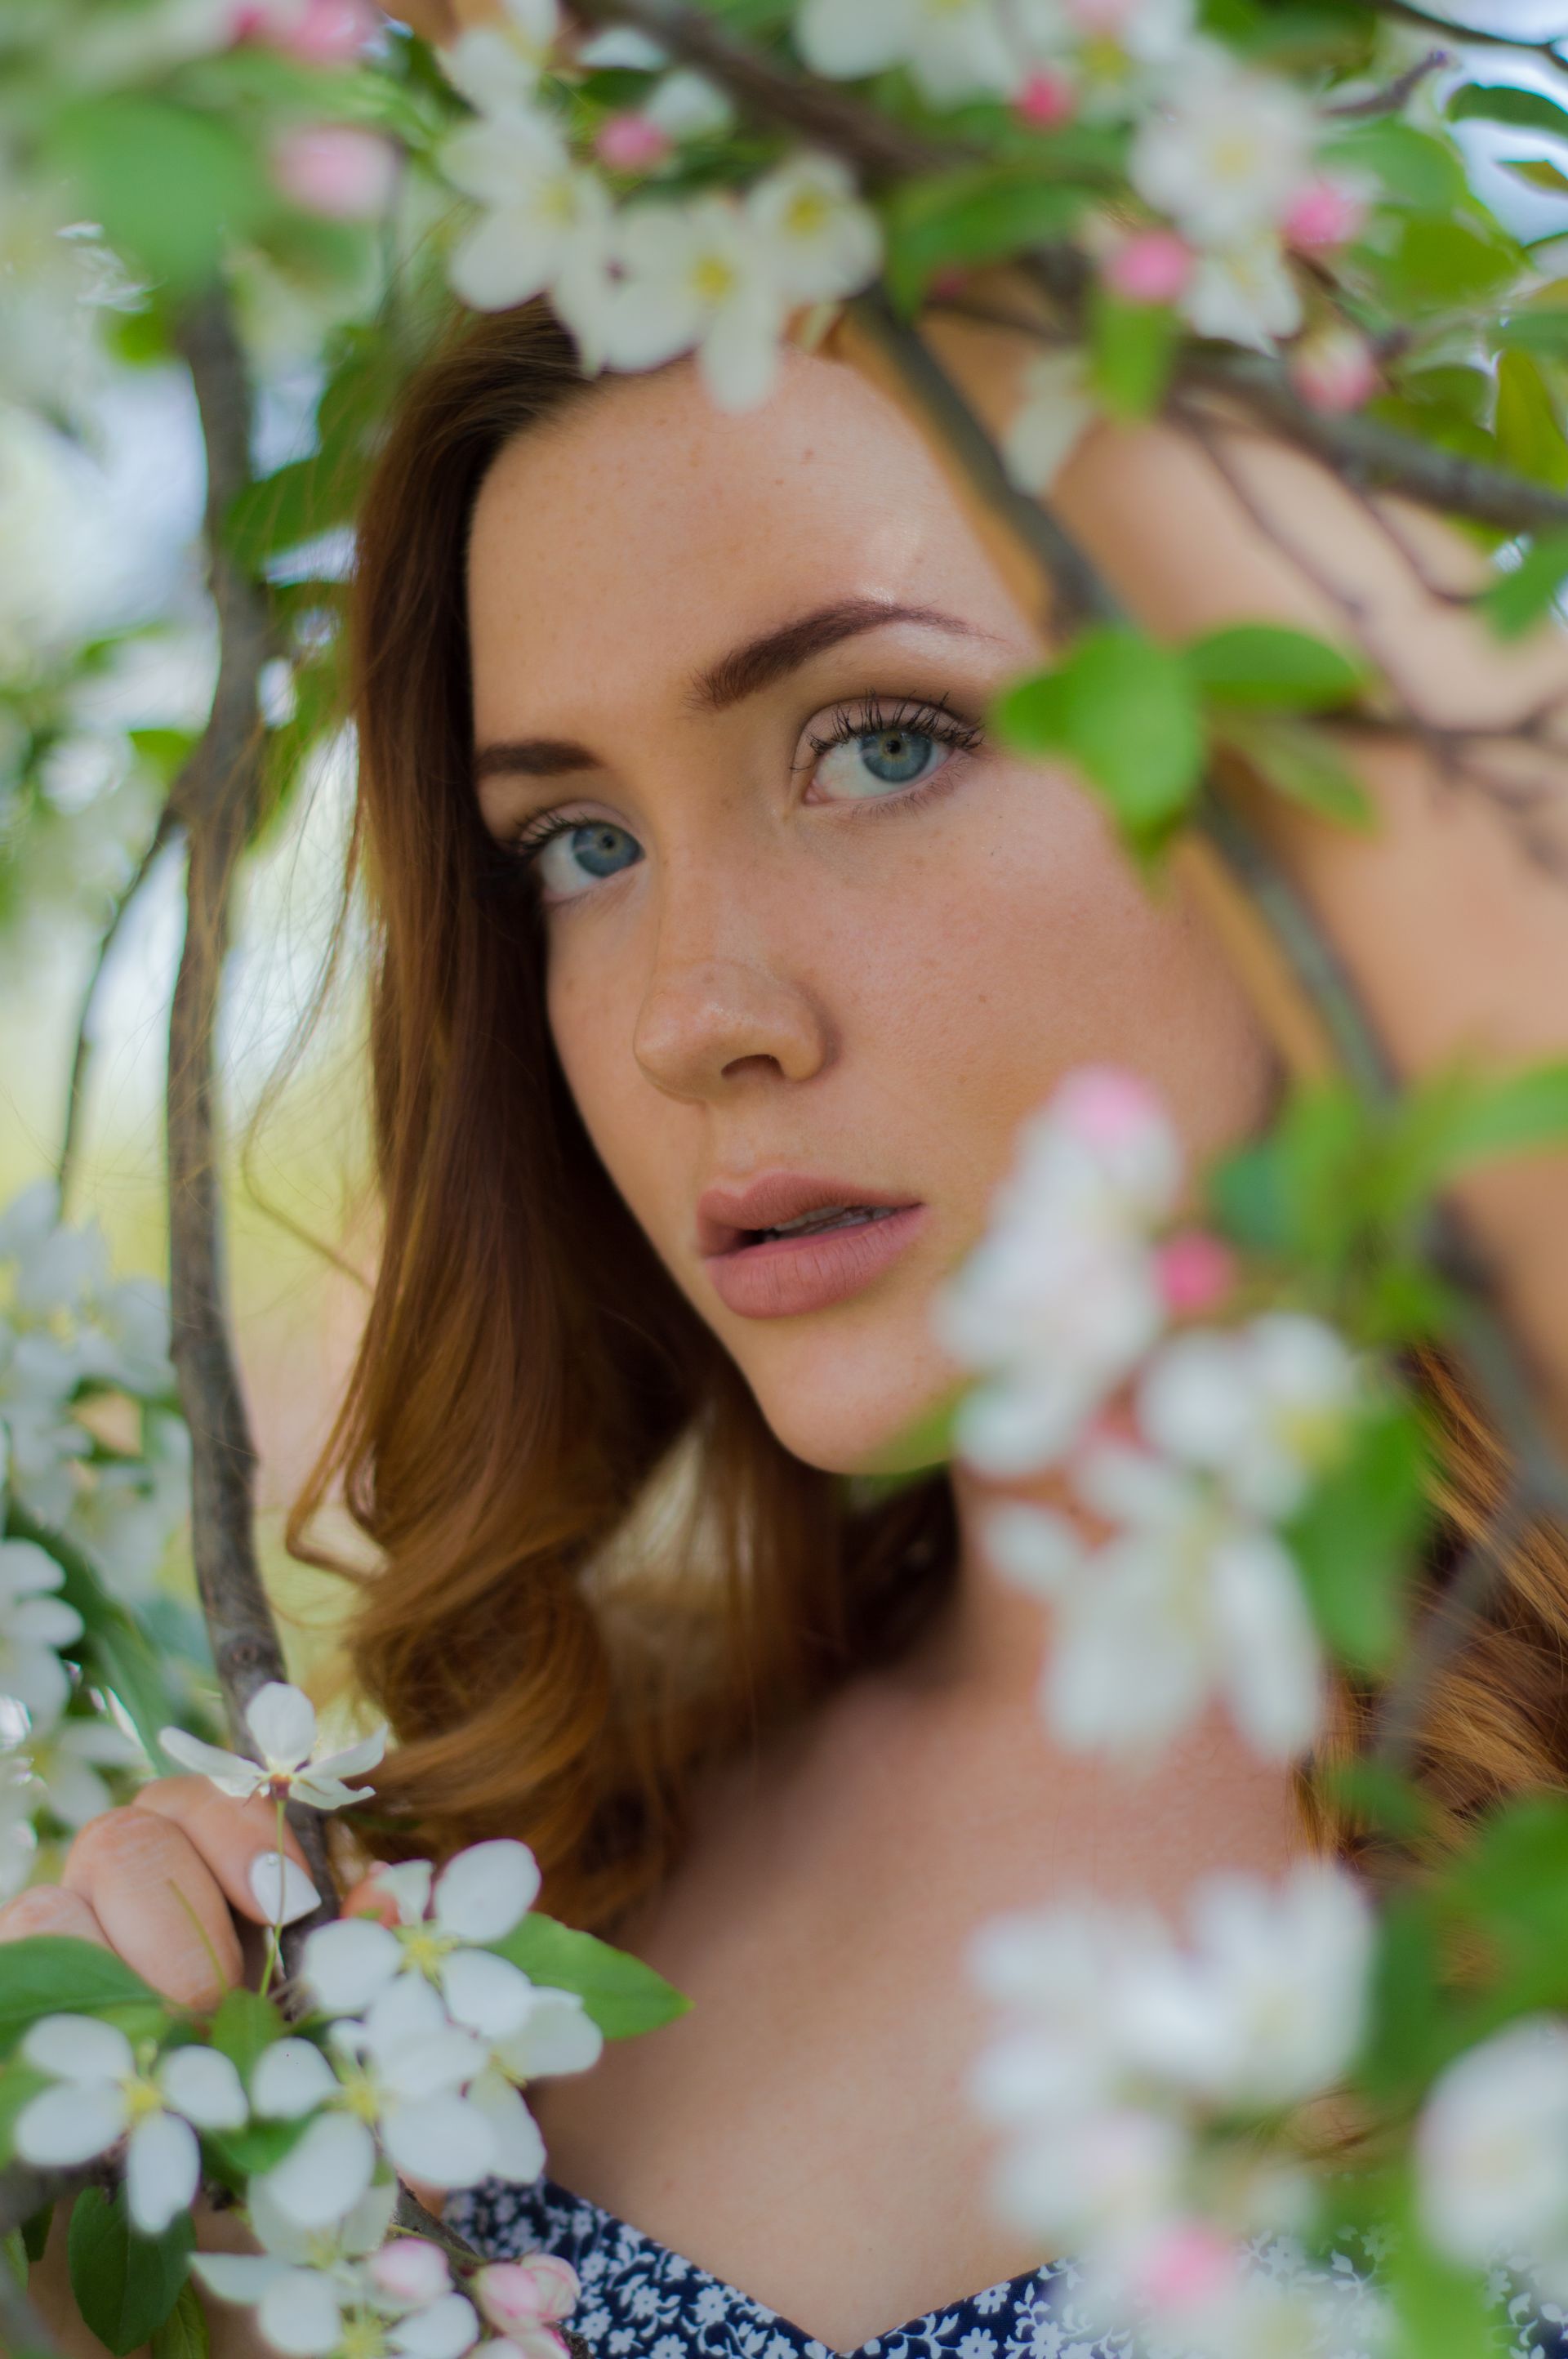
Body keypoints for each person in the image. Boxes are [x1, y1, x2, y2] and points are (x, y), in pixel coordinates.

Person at [8, 286, 1568, 2359]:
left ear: (1304, 758)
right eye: (579, 844)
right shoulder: (450, 1933)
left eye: (886, 741)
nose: (691, 1018)